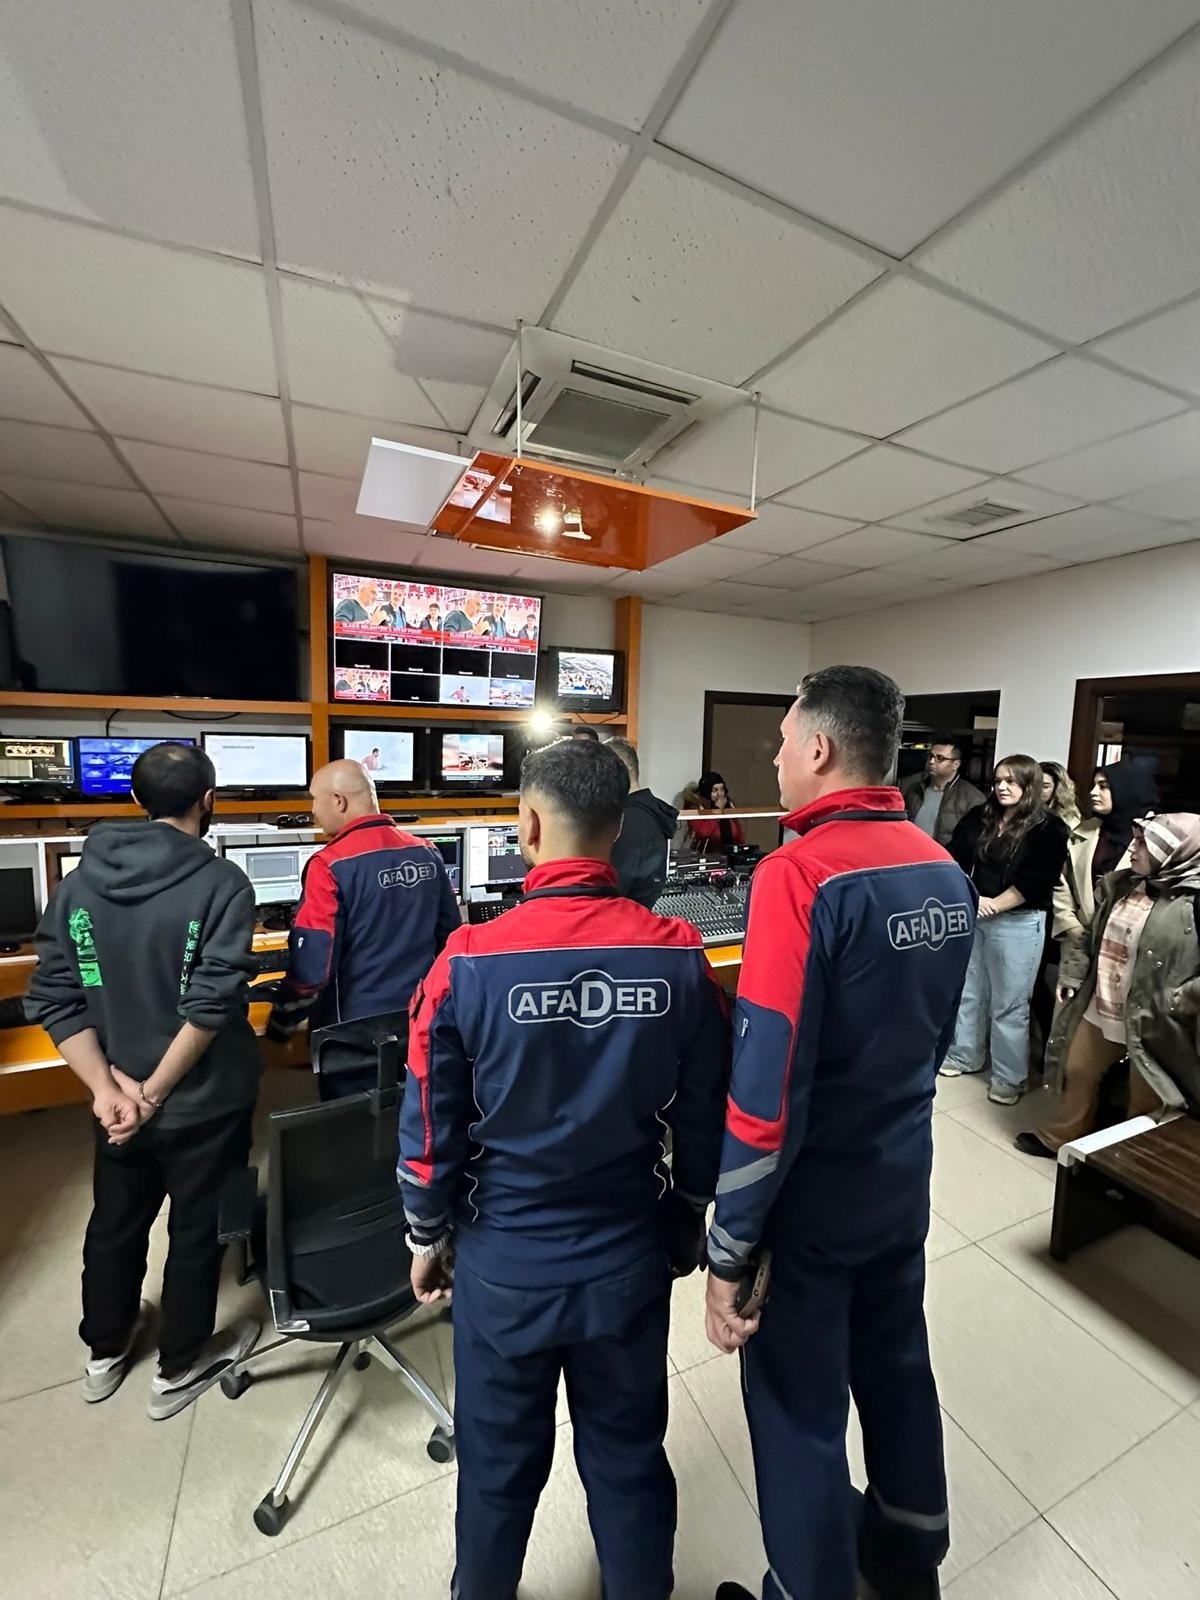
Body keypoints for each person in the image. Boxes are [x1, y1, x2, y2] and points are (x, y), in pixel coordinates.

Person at [398, 739, 730, 1600]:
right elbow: (707, 1110)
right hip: (627, 1260)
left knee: (497, 1470)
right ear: (617, 831)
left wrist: (426, 1234)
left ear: (528, 825)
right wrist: (688, 1211)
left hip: (504, 1269)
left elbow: (430, 1126)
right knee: (628, 1458)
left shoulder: (467, 960)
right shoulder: (678, 954)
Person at [706, 667, 974, 1600]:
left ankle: (808, 1585)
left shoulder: (799, 874)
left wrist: (730, 1247)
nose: (776, 759)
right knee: (897, 1364)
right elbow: (934, 1041)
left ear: (818, 749)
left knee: (799, 1407)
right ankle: (908, 1555)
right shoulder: (943, 869)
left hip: (812, 1203)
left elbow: (767, 1089)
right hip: (901, 1177)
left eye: (783, 743)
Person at [24, 742, 261, 1418]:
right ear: (208, 801)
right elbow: (209, 1006)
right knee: (197, 1229)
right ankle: (178, 1367)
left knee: (115, 1221)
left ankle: (105, 1350)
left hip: (116, 1108)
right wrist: (153, 1094)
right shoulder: (223, 883)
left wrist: (110, 1093)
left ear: (135, 801)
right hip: (203, 1100)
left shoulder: (77, 884)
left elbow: (55, 996)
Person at [268, 760, 459, 1098]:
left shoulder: (328, 865)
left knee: (355, 1123)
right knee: (414, 1115)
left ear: (338, 801)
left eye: (314, 800)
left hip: (353, 1037)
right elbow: (450, 941)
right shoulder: (427, 852)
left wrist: (281, 1021)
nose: (313, 811)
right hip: (421, 1024)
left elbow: (313, 967)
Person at [1014, 812, 1199, 1159]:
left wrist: (1181, 997)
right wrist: (1072, 975)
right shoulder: (1123, 885)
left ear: (1171, 852)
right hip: (1104, 1001)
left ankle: (1129, 1161)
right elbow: (1090, 937)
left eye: (1143, 844)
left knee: (1147, 1095)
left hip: (1157, 1018)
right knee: (1077, 1068)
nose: (1132, 850)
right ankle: (1060, 1137)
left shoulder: (1193, 901)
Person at [939, 756, 1070, 1105]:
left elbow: (1036, 879)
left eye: (1011, 781)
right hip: (975, 913)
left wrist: (994, 904)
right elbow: (953, 854)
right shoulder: (980, 816)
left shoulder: (1049, 828)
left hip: (1018, 920)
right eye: (998, 780)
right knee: (970, 991)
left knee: (1009, 1003)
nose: (1002, 787)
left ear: (1029, 785)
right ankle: (965, 1055)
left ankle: (1009, 1077)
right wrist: (970, 897)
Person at [1052, 761, 1160, 963]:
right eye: (1094, 786)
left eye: (1103, 787)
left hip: (1128, 945)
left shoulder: (1158, 838)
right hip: (1079, 941)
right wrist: (1070, 924)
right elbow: (1061, 880)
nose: (1093, 793)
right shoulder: (1083, 831)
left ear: (1127, 790)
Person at [1030, 761, 1082, 1066]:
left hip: (1058, 912)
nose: (1039, 791)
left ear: (1057, 789)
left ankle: (1052, 1047)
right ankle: (1045, 1045)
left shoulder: (1071, 825)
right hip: (1036, 906)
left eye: (1046, 786)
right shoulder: (1028, 817)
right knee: (1035, 982)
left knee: (1048, 983)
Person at [606, 737, 679, 910]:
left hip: (623, 918)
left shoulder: (629, 821)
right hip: (638, 914)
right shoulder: (648, 812)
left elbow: (614, 891)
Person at [900, 736, 986, 849]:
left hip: (946, 858)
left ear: (956, 764)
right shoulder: (914, 789)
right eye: (930, 756)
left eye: (940, 758)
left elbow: (974, 842)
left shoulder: (972, 798)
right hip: (912, 854)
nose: (931, 761)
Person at [687, 770, 746, 856]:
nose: (720, 794)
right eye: (715, 790)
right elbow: (703, 832)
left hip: (731, 854)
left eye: (722, 789)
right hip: (707, 856)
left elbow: (739, 832)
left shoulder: (729, 805)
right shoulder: (696, 807)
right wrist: (718, 810)